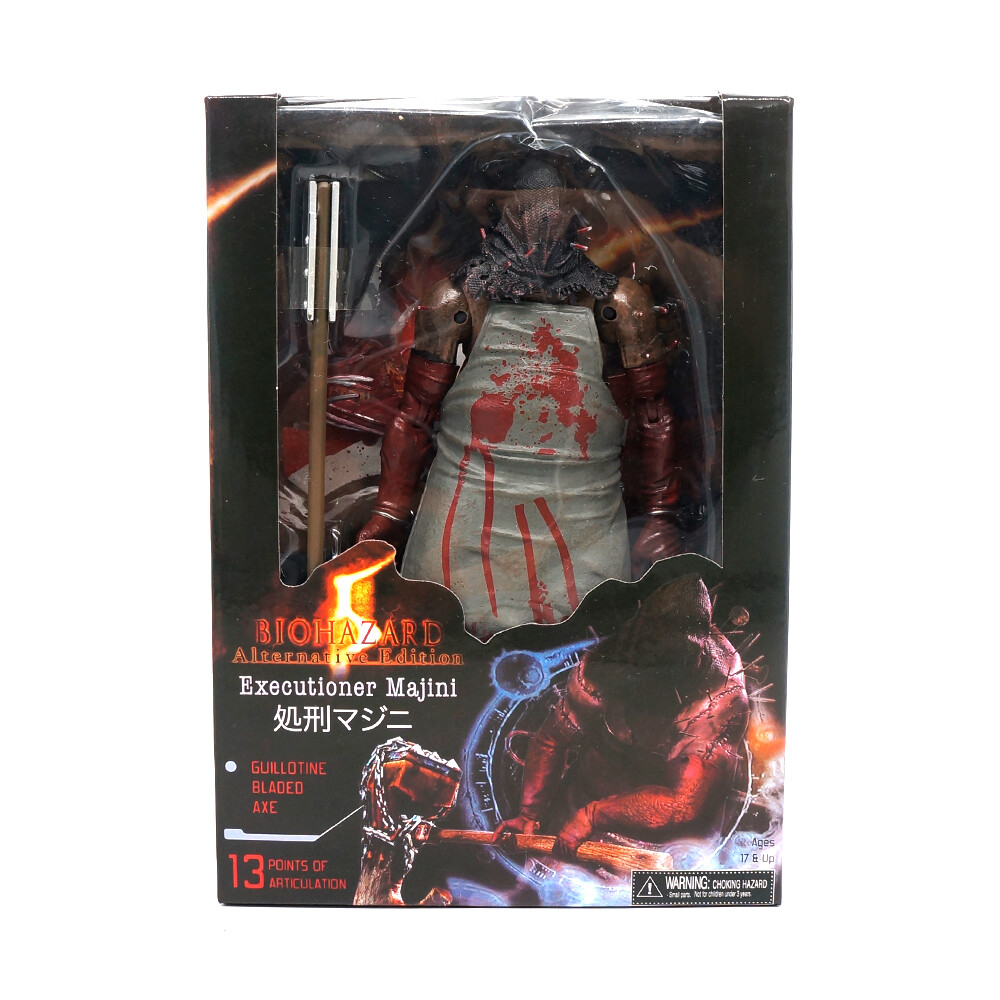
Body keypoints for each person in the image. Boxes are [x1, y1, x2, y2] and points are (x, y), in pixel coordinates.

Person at [356, 158, 683, 636]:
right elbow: (414, 415)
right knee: (451, 636)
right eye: (526, 209)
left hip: (582, 510)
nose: (540, 224)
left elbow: (654, 415)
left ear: (573, 216)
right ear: (499, 214)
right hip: (469, 506)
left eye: (552, 211)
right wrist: (389, 511)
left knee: (583, 643)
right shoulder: (456, 300)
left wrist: (658, 514)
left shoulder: (619, 305)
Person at [492, 575, 749, 855]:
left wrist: (593, 815)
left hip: (670, 849)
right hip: (580, 808)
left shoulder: (719, 701)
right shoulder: (597, 674)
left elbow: (684, 806)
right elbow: (551, 739)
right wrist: (529, 815)